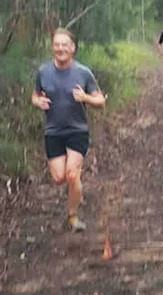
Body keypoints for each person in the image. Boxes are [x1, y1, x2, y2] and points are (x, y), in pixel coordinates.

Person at [31, 28, 106, 232]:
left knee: (72, 175)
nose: (60, 48)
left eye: (65, 44)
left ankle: (73, 217)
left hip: (77, 130)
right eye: (57, 45)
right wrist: (38, 102)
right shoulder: (43, 72)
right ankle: (76, 189)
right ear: (52, 48)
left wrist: (86, 98)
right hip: (53, 131)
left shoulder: (83, 73)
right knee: (59, 178)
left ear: (72, 48)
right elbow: (34, 95)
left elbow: (100, 100)